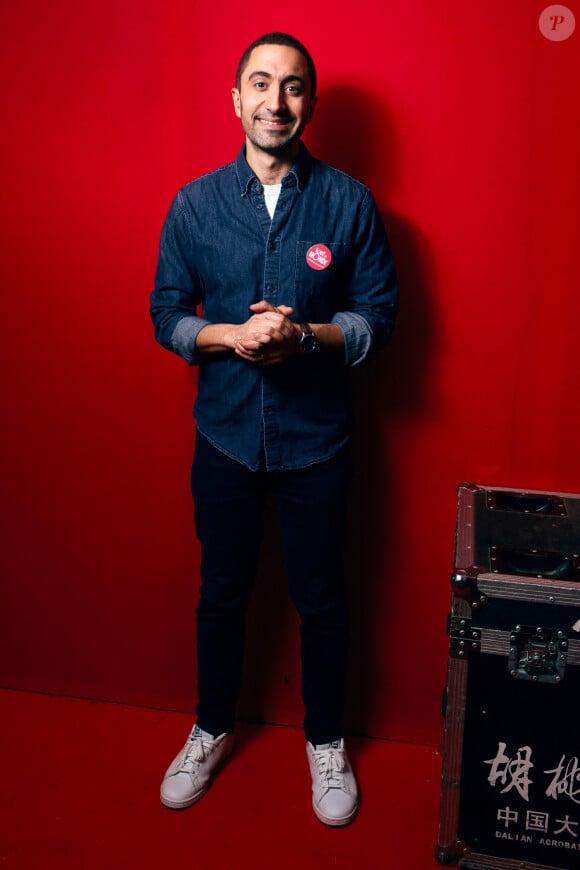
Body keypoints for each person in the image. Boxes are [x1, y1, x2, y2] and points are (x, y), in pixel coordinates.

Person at [150, 31, 398, 827]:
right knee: (221, 593)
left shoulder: (349, 203)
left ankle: (325, 740)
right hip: (222, 436)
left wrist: (308, 338)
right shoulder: (193, 204)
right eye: (261, 83)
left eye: (293, 87)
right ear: (236, 98)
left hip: (317, 440)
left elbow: (379, 320)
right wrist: (230, 334)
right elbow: (166, 315)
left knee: (322, 599)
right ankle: (212, 726)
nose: (276, 101)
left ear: (309, 105)